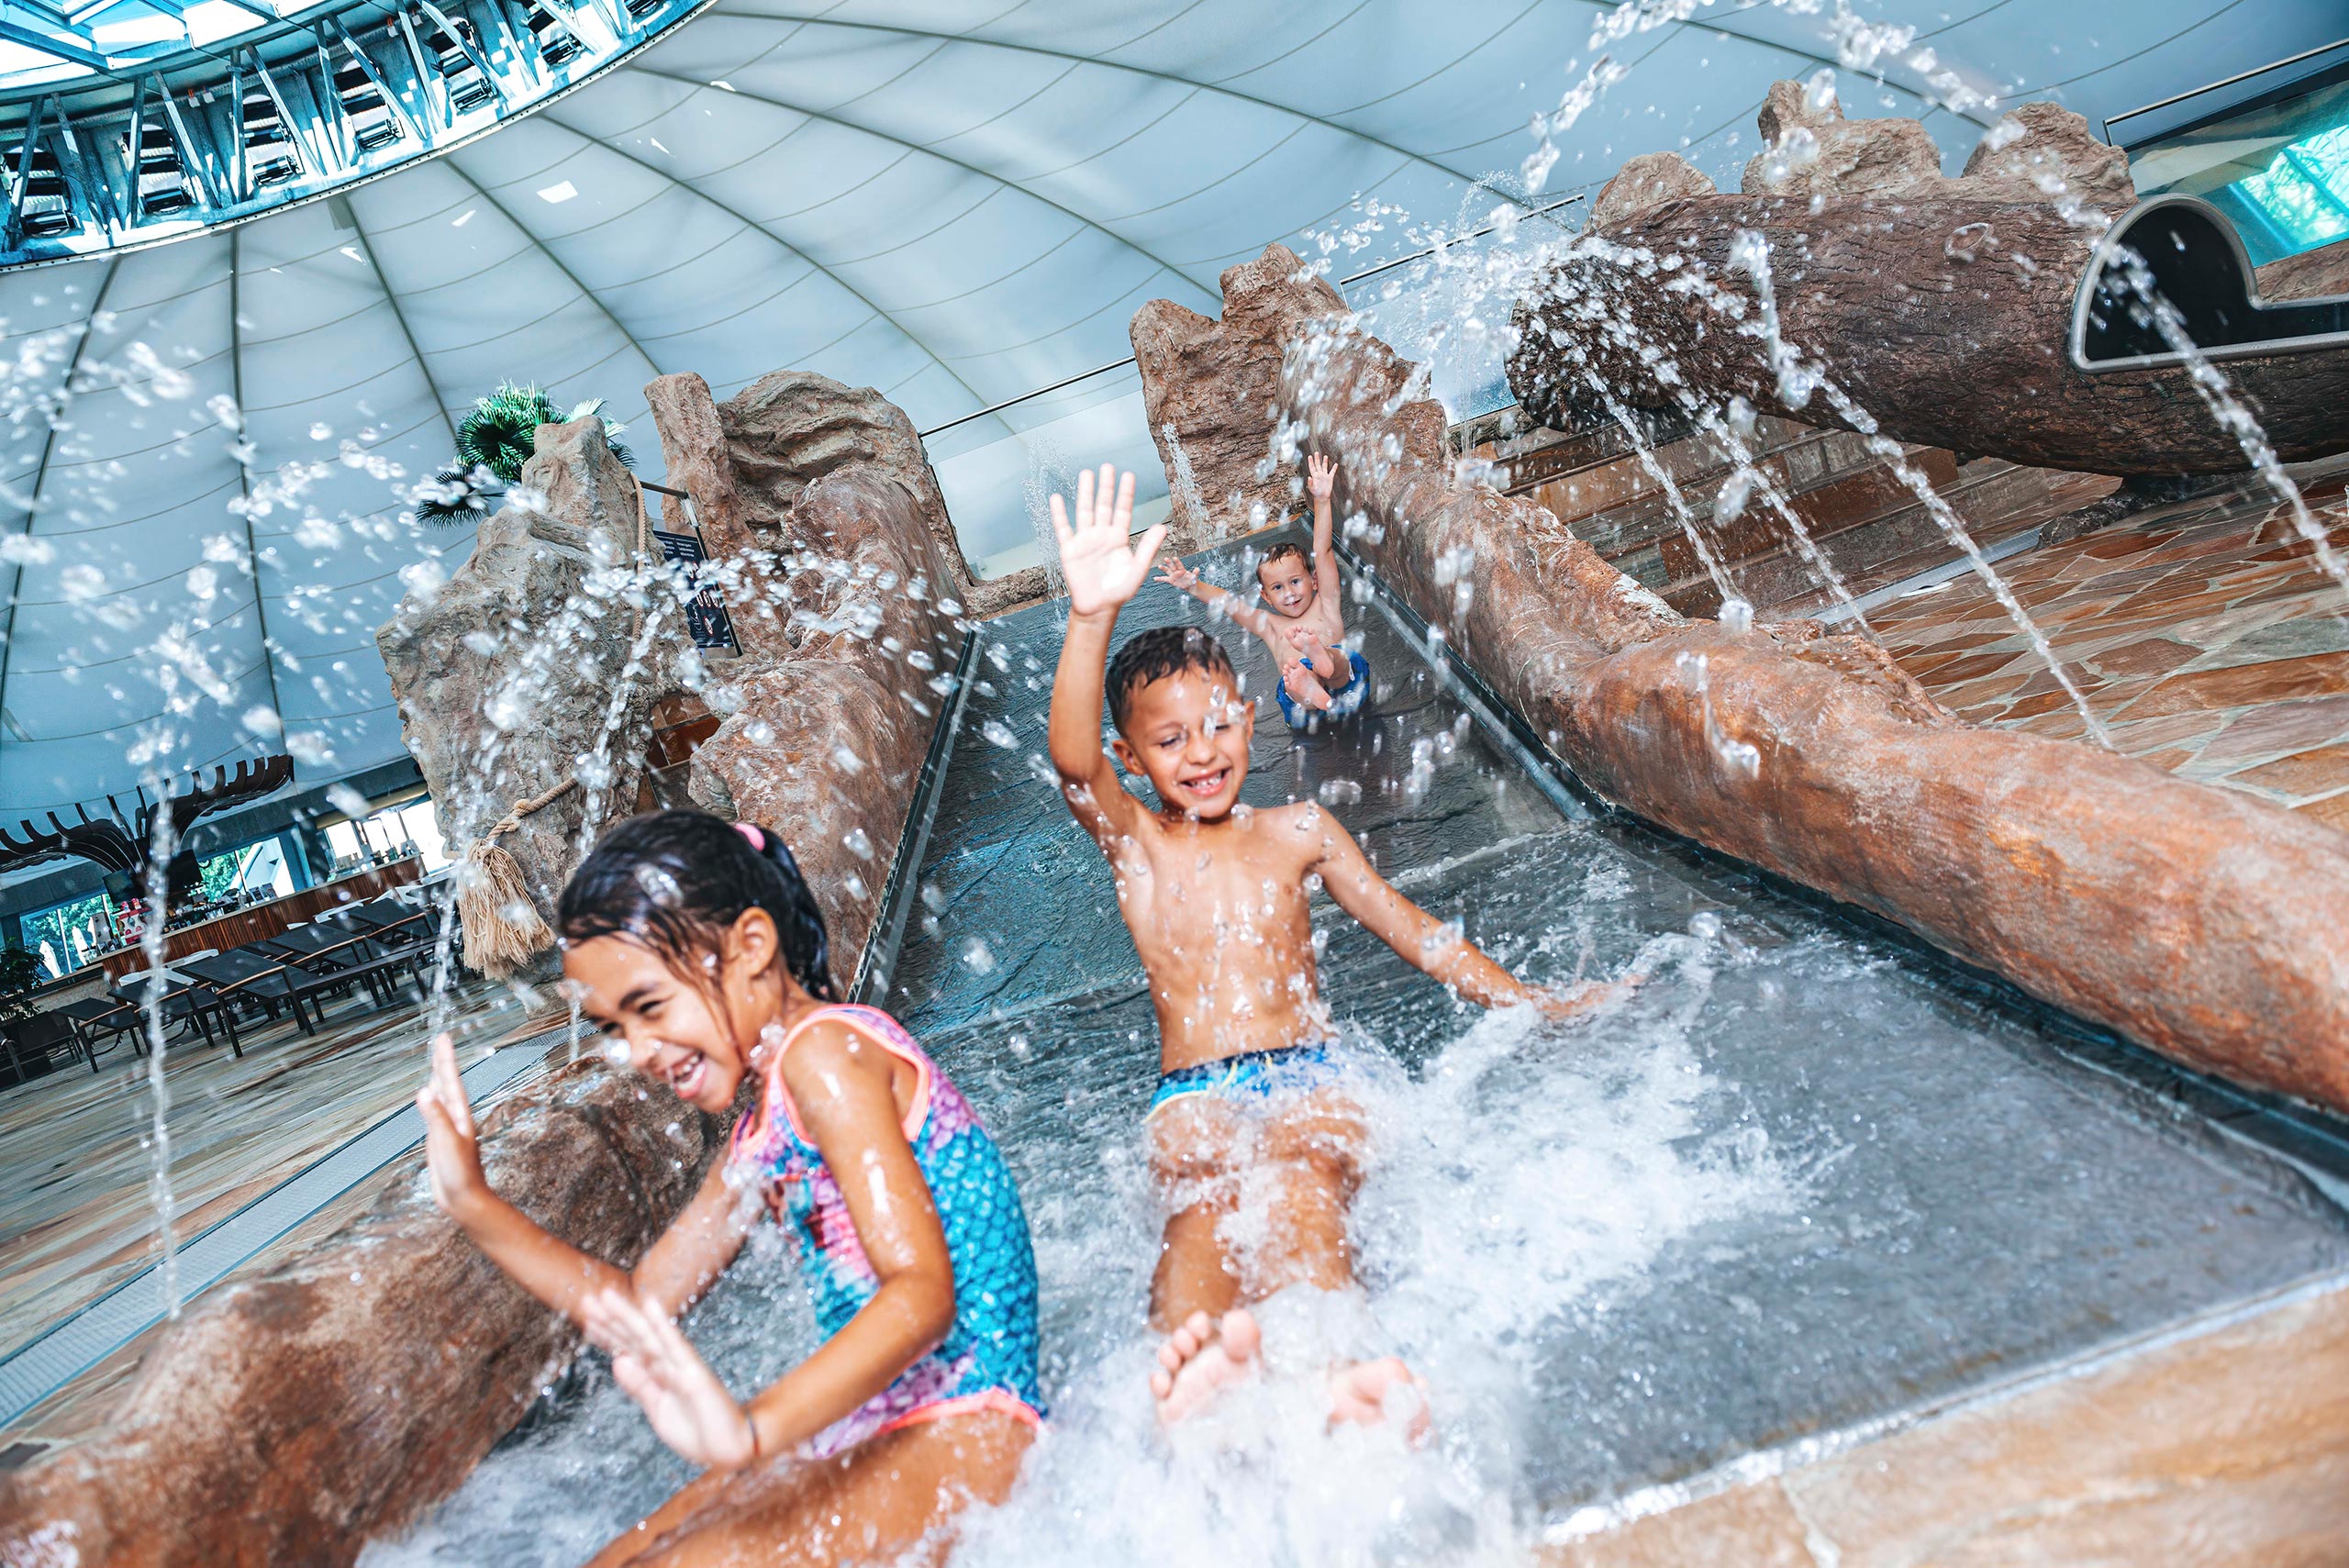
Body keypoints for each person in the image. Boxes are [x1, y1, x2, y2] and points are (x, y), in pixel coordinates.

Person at [1046, 465, 1633, 1431]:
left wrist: (1529, 999)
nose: (1200, 752)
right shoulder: (1140, 847)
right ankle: (1192, 1362)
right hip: (1192, 1092)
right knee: (1197, 1203)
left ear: (1250, 711)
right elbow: (1070, 762)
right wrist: (1087, 615)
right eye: (1169, 740)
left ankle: (1333, 1362)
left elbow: (1412, 928)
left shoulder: (1300, 829)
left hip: (1310, 1072)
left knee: (1306, 1173)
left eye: (1217, 723)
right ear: (1133, 756)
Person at [417, 809, 1042, 1568]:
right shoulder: (759, 1132)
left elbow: (921, 1294)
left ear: (751, 946)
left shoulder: (827, 1055)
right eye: (613, 1027)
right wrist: (470, 1202)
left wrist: (753, 1431)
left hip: (968, 1419)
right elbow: (641, 1306)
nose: (639, 1050)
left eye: (649, 1007)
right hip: (871, 1423)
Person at [1157, 451, 1367, 728]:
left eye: (1295, 581)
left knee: (1338, 662)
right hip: (1306, 697)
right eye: (1278, 588)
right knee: (1293, 677)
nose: (1290, 593)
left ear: (1314, 580)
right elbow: (1231, 604)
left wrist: (1323, 500)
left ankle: (1320, 661)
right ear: (1265, 596)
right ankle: (1309, 686)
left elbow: (1322, 549)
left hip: (1345, 683)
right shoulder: (1269, 624)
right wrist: (1194, 586)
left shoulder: (1326, 601)